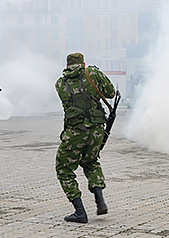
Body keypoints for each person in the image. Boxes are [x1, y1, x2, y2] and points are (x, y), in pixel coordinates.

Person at [55, 52, 115, 223]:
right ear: (83, 63)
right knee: (91, 161)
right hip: (96, 130)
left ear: (67, 66)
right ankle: (100, 200)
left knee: (64, 168)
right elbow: (110, 93)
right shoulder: (93, 74)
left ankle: (80, 212)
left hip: (75, 132)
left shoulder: (60, 83)